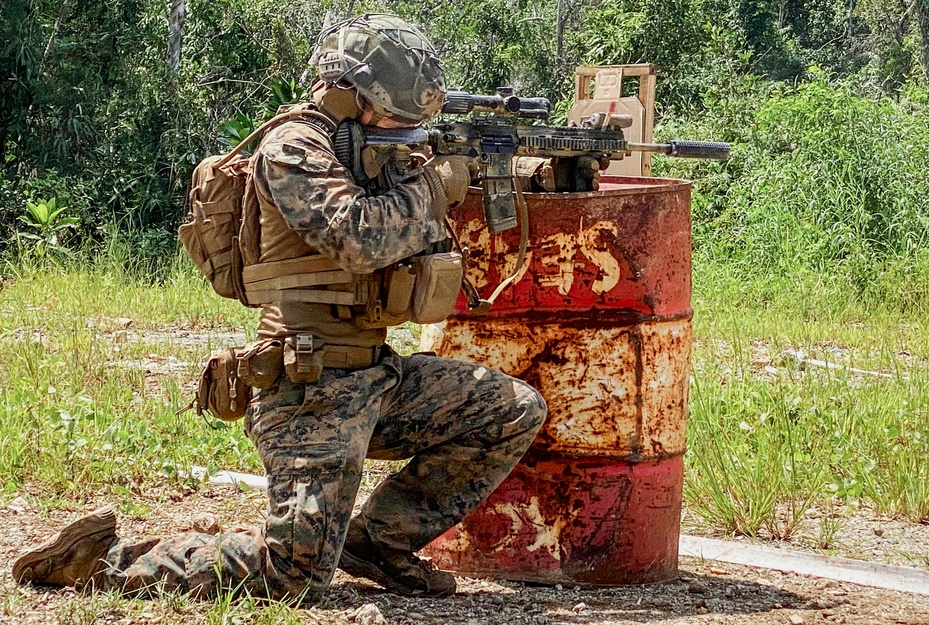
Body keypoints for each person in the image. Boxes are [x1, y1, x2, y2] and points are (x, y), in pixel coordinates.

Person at [12, 13, 547, 602]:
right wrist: (433, 186)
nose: (405, 131)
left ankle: (379, 541)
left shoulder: (376, 149)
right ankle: (102, 562)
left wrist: (535, 167)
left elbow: (439, 172)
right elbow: (358, 236)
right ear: (351, 97)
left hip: (375, 376)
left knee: (511, 409)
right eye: (395, 116)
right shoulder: (293, 148)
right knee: (295, 579)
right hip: (305, 387)